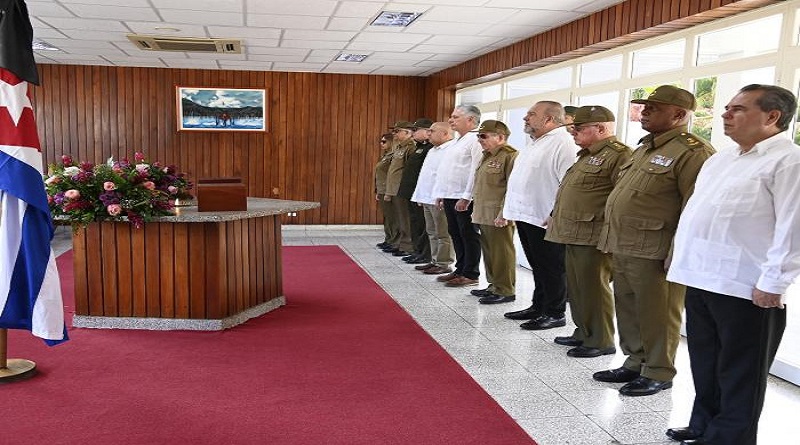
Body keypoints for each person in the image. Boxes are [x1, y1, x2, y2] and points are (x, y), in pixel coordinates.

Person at [665, 84, 800, 445]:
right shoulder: (721, 159)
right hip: (702, 276)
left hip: (747, 285)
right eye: (726, 107)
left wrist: (774, 282)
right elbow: (700, 215)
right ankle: (703, 425)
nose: (726, 114)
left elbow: (793, 227)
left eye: (738, 109)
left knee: (740, 371)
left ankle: (730, 438)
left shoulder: (789, 161)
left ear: (772, 117)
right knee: (706, 361)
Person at [594, 85, 715, 397]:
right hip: (625, 243)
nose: (644, 112)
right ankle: (635, 361)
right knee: (629, 306)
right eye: (644, 107)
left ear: (678, 115)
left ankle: (659, 370)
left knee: (658, 312)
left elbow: (694, 207)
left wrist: (678, 252)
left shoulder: (693, 151)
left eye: (653, 108)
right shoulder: (645, 147)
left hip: (656, 248)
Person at [545, 105, 632, 356]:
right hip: (574, 232)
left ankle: (600, 340)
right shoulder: (586, 154)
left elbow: (620, 199)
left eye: (579, 128)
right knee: (578, 287)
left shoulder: (619, 155)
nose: (573, 132)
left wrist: (610, 236)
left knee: (594, 288)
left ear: (601, 128)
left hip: (594, 235)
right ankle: (583, 331)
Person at [502, 101, 579, 329]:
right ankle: (538, 306)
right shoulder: (536, 143)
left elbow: (568, 184)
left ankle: (555, 313)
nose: (526, 118)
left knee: (552, 268)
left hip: (546, 218)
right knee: (539, 266)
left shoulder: (563, 143)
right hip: (527, 215)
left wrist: (557, 213)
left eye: (531, 114)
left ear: (548, 120)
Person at [432, 105, 483, 287]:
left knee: (468, 234)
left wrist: (467, 196)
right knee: (455, 233)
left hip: (464, 196)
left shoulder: (475, 140)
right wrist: (442, 194)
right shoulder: (457, 141)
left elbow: (475, 171)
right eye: (451, 117)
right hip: (450, 195)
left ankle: (471, 273)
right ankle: (460, 269)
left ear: (470, 120)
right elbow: (448, 171)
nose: (451, 120)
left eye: (455, 117)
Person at [470, 120, 518, 304]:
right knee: (490, 252)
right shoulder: (487, 156)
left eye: (484, 136)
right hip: (483, 212)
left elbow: (511, 188)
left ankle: (505, 289)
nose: (480, 140)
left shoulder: (510, 156)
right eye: (478, 136)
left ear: (500, 137)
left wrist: (504, 213)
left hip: (498, 214)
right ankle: (494, 285)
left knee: (502, 252)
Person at [411, 122, 455, 275]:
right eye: (428, 131)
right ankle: (435, 260)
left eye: (432, 131)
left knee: (443, 233)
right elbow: (425, 175)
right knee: (431, 231)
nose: (428, 134)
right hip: (427, 196)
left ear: (445, 134)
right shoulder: (433, 150)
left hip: (438, 198)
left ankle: (444, 262)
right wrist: (419, 195)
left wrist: (442, 195)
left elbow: (447, 176)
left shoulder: (450, 150)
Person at [398, 118, 434, 265]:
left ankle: (425, 254)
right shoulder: (420, 147)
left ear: (427, 131)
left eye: (415, 130)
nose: (413, 133)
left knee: (422, 224)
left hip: (420, 193)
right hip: (412, 191)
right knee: (415, 222)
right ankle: (417, 250)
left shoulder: (429, 148)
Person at [383, 121, 417, 256]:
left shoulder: (410, 147)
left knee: (405, 219)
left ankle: (407, 246)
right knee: (399, 218)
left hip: (401, 188)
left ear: (408, 132)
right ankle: (400, 243)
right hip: (394, 188)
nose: (395, 134)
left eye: (398, 131)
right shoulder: (399, 147)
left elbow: (408, 171)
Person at [375, 133, 399, 250]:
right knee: (387, 217)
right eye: (381, 141)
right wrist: (377, 191)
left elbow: (392, 175)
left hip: (388, 189)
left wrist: (388, 191)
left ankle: (394, 241)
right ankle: (388, 238)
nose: (381, 144)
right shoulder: (384, 155)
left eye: (384, 141)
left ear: (391, 142)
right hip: (382, 189)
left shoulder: (392, 155)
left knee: (392, 217)